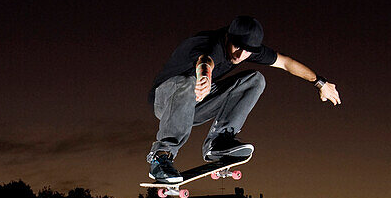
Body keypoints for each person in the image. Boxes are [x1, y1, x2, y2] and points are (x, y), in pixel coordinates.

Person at [146, 15, 341, 183]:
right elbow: (205, 60)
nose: (240, 55)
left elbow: (286, 63)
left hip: (195, 105)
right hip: (165, 101)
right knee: (189, 81)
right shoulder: (210, 42)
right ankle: (161, 156)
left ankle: (219, 142)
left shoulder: (248, 50)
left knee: (255, 80)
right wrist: (204, 76)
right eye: (237, 47)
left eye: (247, 51)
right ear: (227, 37)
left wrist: (321, 83)